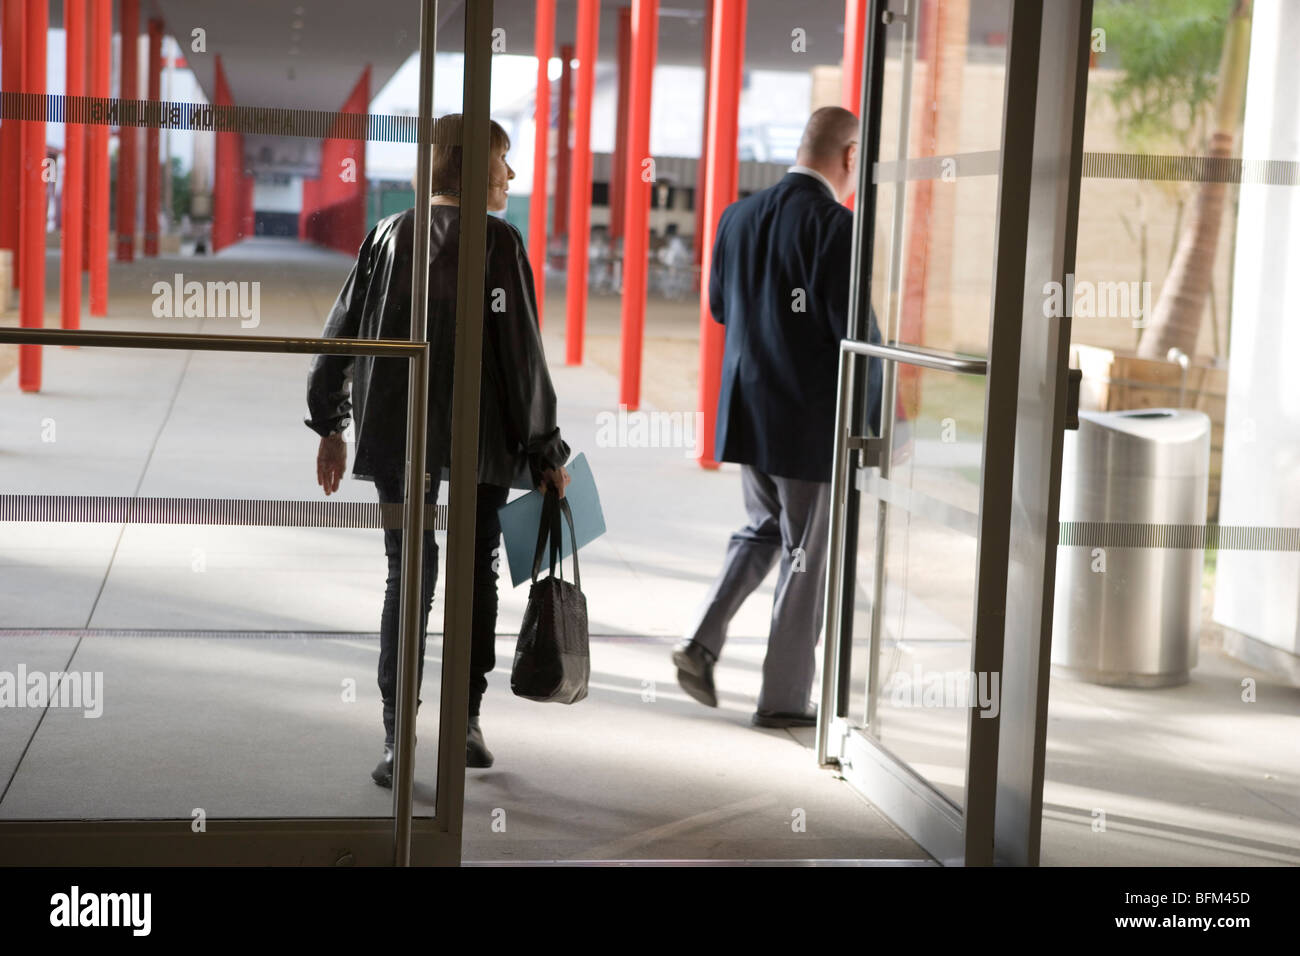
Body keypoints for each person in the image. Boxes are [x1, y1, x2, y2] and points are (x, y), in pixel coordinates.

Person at [305, 114, 570, 787]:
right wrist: (545, 449)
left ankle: (399, 740)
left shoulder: (388, 235)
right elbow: (521, 359)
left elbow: (340, 335)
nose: (510, 174)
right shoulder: (499, 243)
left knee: (407, 574)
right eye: (504, 160)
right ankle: (466, 725)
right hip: (481, 437)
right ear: (475, 165)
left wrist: (331, 423)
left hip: (399, 431)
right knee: (475, 570)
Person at [673, 106, 884, 728]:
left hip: (749, 416)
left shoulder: (736, 217)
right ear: (850, 158)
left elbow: (718, 308)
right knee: (806, 556)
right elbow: (857, 339)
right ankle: (785, 699)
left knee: (764, 531)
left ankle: (701, 642)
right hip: (809, 426)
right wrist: (879, 422)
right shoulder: (837, 228)